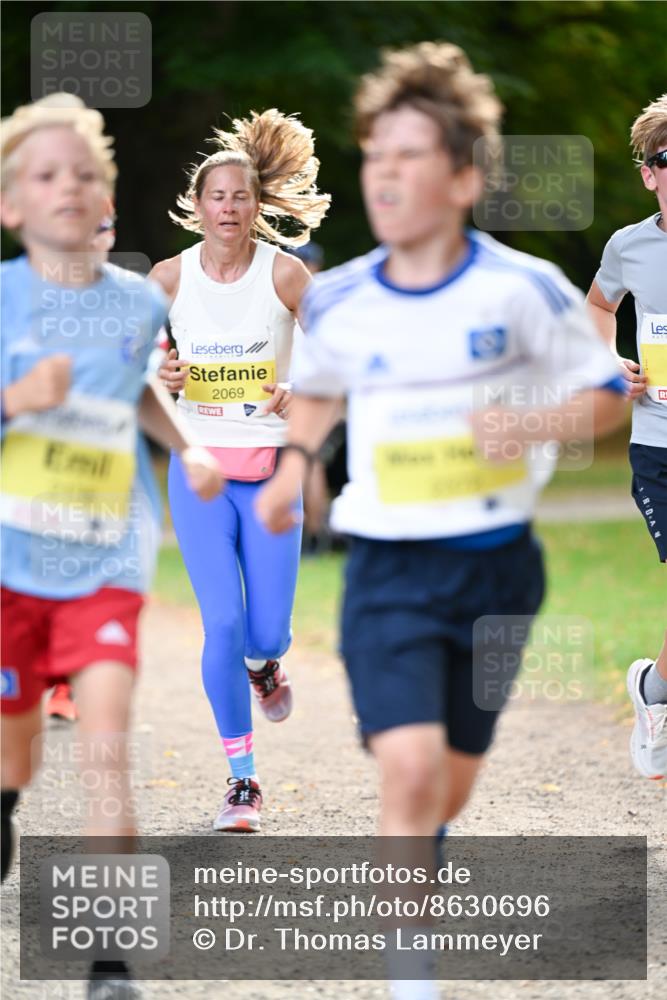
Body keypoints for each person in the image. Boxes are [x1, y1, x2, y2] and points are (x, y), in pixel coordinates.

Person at [256, 41, 628, 999]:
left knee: (449, 779)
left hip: (496, 569)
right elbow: (315, 396)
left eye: (410, 155)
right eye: (375, 154)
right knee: (409, 769)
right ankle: (409, 973)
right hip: (385, 568)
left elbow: (604, 397)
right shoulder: (337, 297)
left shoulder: (524, 287)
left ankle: (429, 843)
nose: (385, 173)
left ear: (463, 176)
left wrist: (525, 422)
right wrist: (293, 468)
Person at [0, 93, 223, 1000]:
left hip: (104, 564)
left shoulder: (136, 301)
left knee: (104, 749)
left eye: (85, 174)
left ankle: (110, 963)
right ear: (12, 204)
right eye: (45, 174)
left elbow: (139, 390)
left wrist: (189, 445)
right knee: (15, 758)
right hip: (11, 571)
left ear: (107, 199)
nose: (69, 187)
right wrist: (17, 402)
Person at [150, 109, 329, 832]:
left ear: (258, 206)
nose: (228, 208)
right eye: (216, 197)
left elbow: (334, 351)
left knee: (266, 633)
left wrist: (300, 384)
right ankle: (242, 780)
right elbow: (129, 368)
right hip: (199, 473)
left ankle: (266, 667)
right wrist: (158, 370)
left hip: (271, 470)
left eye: (241, 197)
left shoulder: (286, 274)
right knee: (220, 622)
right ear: (197, 206)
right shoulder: (167, 278)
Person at [586, 93, 667, 780]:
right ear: (649, 173)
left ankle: (654, 690)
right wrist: (608, 361)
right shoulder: (628, 246)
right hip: (657, 446)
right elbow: (595, 306)